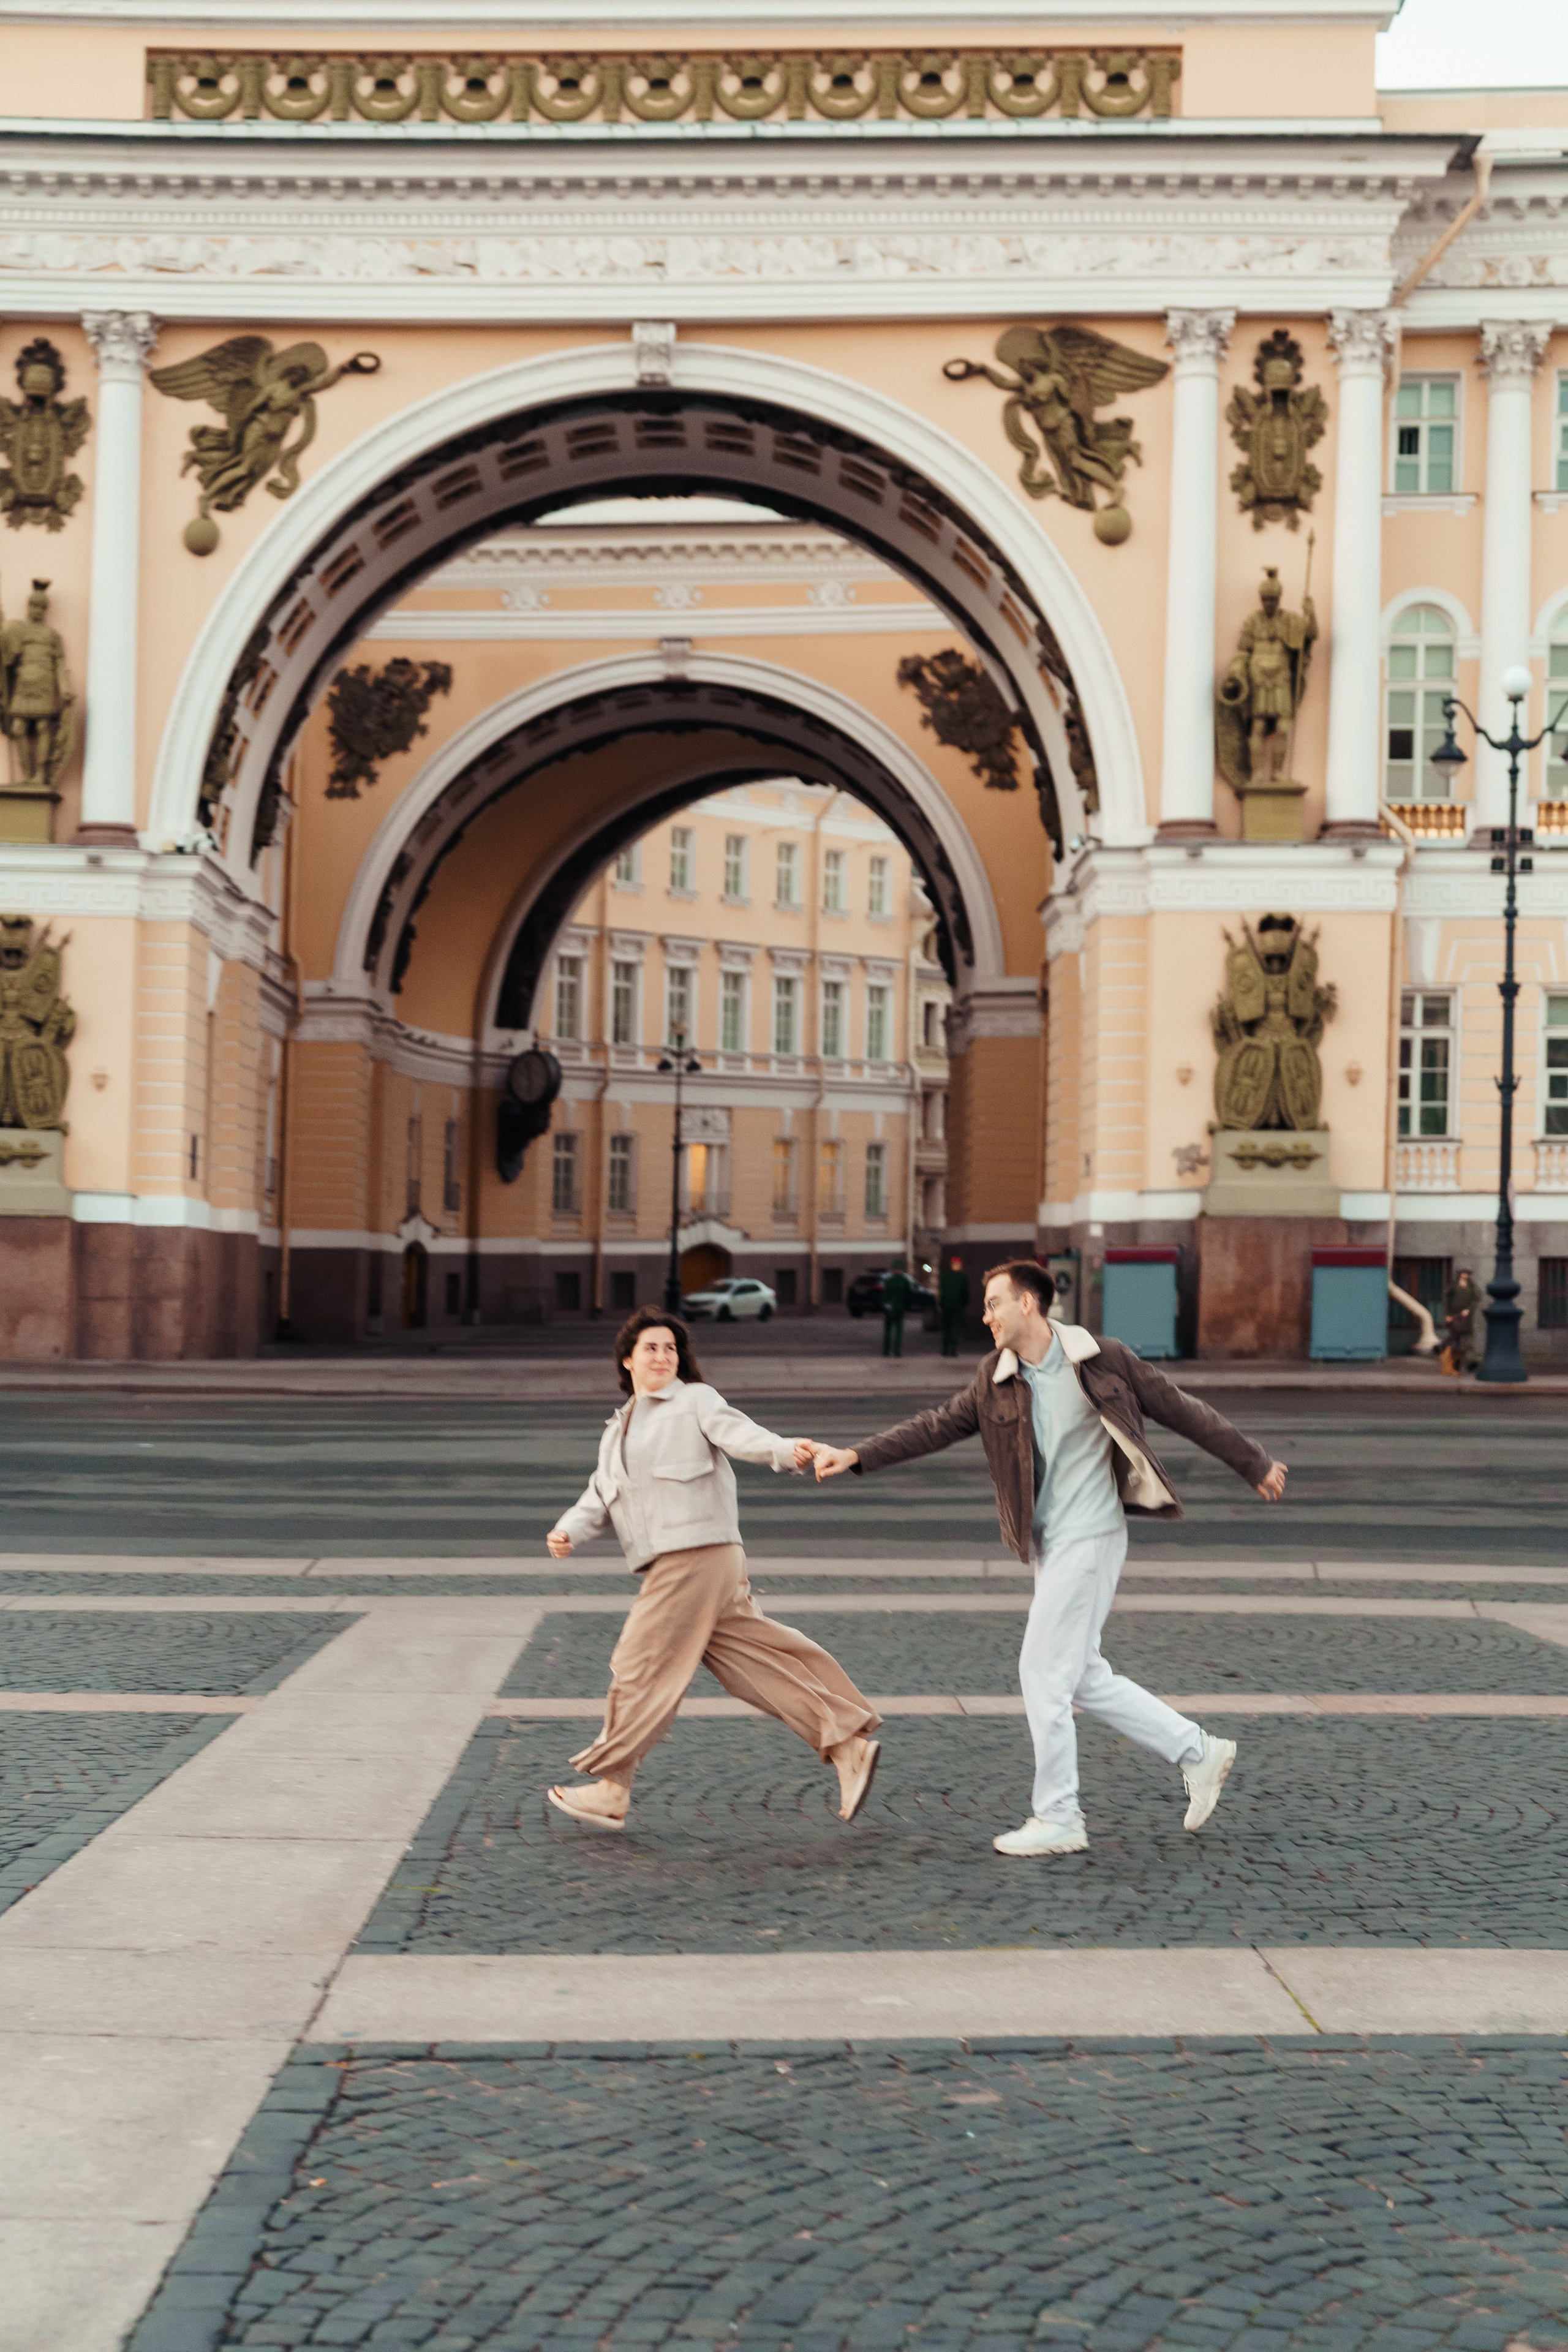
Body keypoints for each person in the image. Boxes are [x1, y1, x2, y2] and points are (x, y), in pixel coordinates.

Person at [797, 1259, 1287, 1860]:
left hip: (1094, 1533)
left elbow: (1182, 1409)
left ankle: (1058, 1815)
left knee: (1040, 1672)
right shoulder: (996, 1377)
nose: (986, 1315)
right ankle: (1197, 1751)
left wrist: (1253, 1461)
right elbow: (935, 1426)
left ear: (1028, 1304)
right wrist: (856, 1455)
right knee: (1081, 1675)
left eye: (994, 1302)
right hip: (1050, 1545)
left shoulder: (1104, 1360)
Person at [545, 1305, 881, 1833]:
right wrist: (568, 1530)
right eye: (651, 1347)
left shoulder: (695, 1401)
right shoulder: (617, 1430)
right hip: (702, 1562)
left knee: (637, 1664)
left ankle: (613, 1787)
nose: (662, 1356)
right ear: (627, 1360)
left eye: (670, 1348)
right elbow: (601, 1497)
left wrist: (790, 1450)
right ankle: (846, 1744)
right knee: (752, 1665)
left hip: (693, 1555)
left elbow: (743, 1436)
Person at [1443, 1266, 1482, 1373]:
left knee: (1469, 1340)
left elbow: (1477, 1298)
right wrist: (1448, 1315)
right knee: (1455, 1341)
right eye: (1464, 1273)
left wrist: (1469, 1309)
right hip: (1455, 1316)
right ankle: (1455, 1364)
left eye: (1467, 1274)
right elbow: (1447, 1300)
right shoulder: (1453, 1286)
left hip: (1466, 1318)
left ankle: (1471, 1363)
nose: (1466, 1275)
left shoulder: (1472, 1286)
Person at [938, 1254, 970, 1359]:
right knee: (954, 1328)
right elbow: (965, 1293)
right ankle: (952, 1349)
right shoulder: (963, 1277)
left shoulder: (945, 1277)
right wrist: (965, 1304)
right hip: (958, 1306)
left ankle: (945, 1349)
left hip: (947, 1306)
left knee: (947, 1328)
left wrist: (941, 1304)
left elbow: (942, 1292)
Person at [881, 1261, 912, 1358]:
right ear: (902, 1269)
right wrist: (907, 1309)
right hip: (900, 1308)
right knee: (899, 1330)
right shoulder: (905, 1281)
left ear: (893, 1269)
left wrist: (884, 1309)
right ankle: (897, 1351)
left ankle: (886, 1351)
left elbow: (885, 1296)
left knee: (888, 1330)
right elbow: (908, 1296)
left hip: (890, 1308)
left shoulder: (889, 1281)